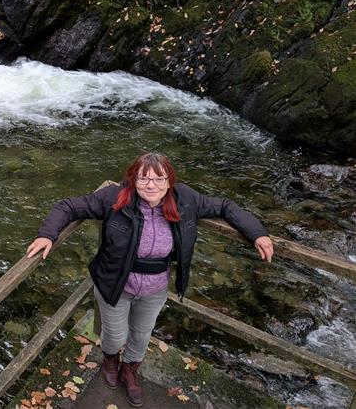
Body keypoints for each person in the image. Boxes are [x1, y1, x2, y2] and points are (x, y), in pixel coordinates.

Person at [26, 152, 274, 408]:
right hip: (115, 284)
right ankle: (110, 361)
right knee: (114, 335)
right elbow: (68, 206)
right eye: (144, 179)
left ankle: (130, 370)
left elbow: (225, 206)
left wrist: (257, 234)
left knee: (142, 335)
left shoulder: (185, 199)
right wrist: (47, 235)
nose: (151, 185)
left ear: (169, 181)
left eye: (158, 179)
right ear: (133, 180)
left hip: (155, 287)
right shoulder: (114, 198)